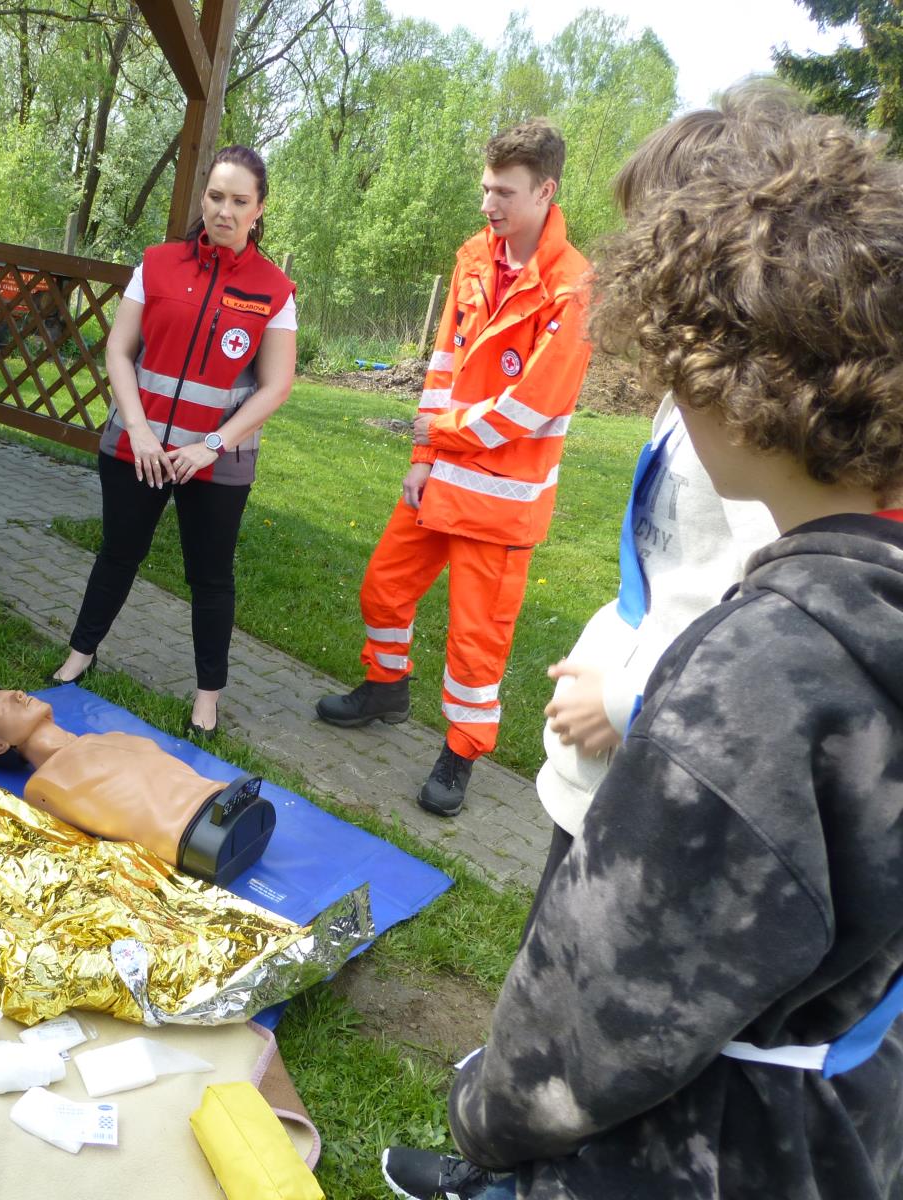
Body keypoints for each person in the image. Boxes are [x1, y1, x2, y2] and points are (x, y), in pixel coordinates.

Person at [380, 96, 903, 1200]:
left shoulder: (762, 676)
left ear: (733, 357)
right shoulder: (857, 614)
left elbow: (601, 1013)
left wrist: (493, 1110)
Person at [529, 95, 779, 927]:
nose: (629, 255)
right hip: (618, 731)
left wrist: (632, 700)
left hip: (665, 741)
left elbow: (763, 615)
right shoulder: (691, 389)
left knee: (599, 941)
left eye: (648, 232)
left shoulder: (759, 420)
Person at [317, 119, 593, 817]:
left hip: (500, 503)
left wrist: (436, 434)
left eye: (503, 192)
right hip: (438, 479)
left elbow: (531, 407)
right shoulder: (475, 257)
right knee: (383, 588)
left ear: (545, 191)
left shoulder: (574, 287)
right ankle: (385, 688)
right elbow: (443, 365)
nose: (488, 206)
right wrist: (421, 456)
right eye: (484, 189)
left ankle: (462, 753)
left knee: (477, 645)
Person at [50, 145, 298, 737]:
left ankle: (207, 695)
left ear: (259, 209)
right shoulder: (156, 264)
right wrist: (137, 430)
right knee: (117, 556)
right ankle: (79, 656)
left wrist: (210, 445)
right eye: (216, 197)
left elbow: (277, 386)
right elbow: (119, 350)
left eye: (240, 201)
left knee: (211, 579)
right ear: (203, 199)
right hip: (138, 450)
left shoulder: (274, 290)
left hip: (215, 464)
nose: (225, 211)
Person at [0, 687, 274, 885]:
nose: (18, 694)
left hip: (223, 800)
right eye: (3, 704)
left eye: (12, 691)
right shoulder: (42, 787)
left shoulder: (107, 738)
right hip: (198, 836)